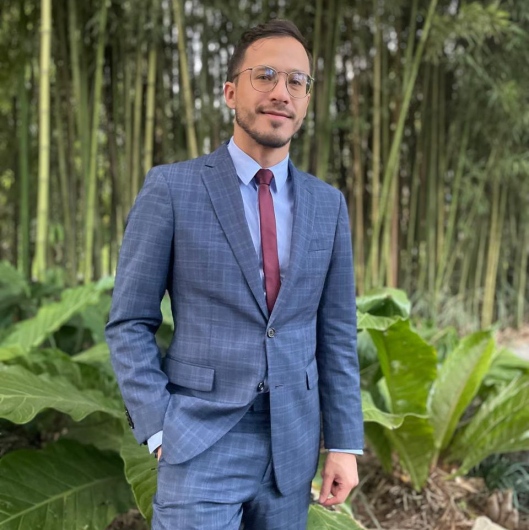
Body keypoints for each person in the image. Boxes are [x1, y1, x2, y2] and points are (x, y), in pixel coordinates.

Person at [105, 19, 363, 530]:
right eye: (264, 75)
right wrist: (159, 428)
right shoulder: (172, 189)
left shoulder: (328, 205)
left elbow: (336, 333)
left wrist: (343, 443)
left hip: (292, 446)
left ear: (306, 101)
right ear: (230, 92)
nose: (281, 92)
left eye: (296, 81)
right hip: (198, 442)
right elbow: (129, 321)